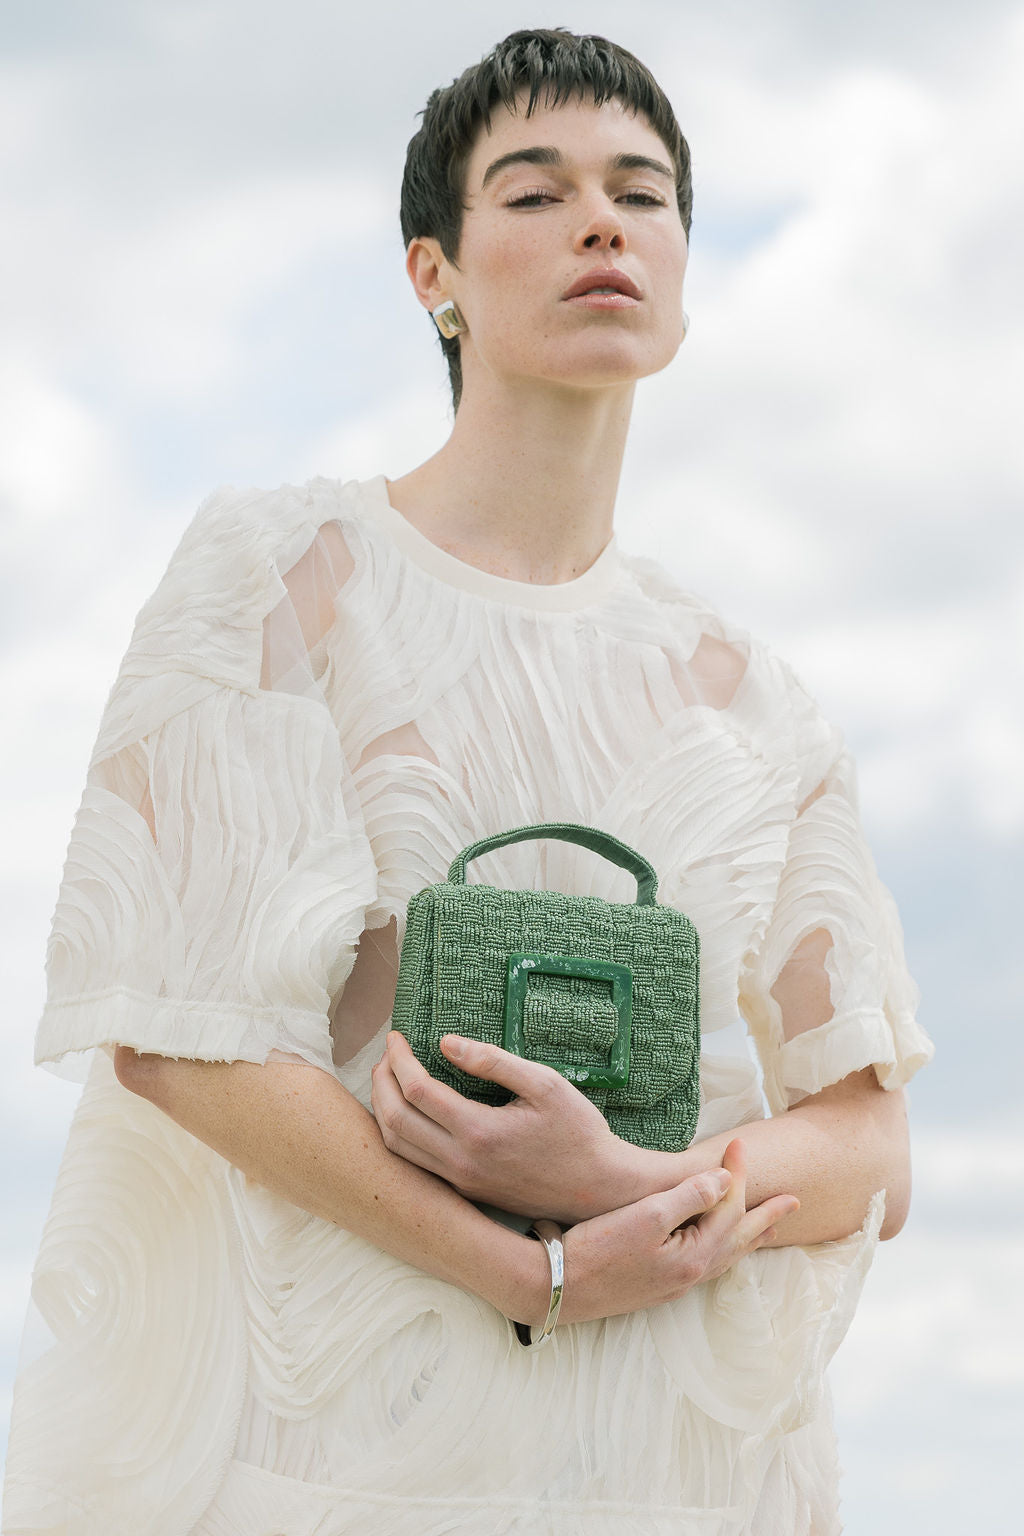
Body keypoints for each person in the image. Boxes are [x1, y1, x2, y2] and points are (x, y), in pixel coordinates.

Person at [4, 27, 932, 1536]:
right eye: (535, 190)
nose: (601, 222)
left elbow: (870, 1141)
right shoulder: (288, 578)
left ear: (684, 279)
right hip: (343, 1467)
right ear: (433, 275)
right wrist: (538, 1268)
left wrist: (630, 1176)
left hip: (662, 1483)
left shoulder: (752, 699)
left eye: (642, 192)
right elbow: (176, 1032)